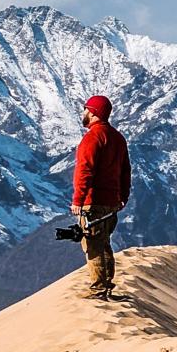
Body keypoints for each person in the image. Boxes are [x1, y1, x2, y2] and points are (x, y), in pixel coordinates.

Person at [70, 95, 131, 301]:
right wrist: (123, 197)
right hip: (111, 204)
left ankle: (98, 291)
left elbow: (84, 170)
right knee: (104, 243)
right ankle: (106, 287)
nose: (83, 112)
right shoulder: (117, 138)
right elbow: (125, 171)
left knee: (93, 245)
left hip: (92, 202)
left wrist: (78, 200)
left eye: (86, 109)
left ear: (94, 113)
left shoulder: (93, 138)